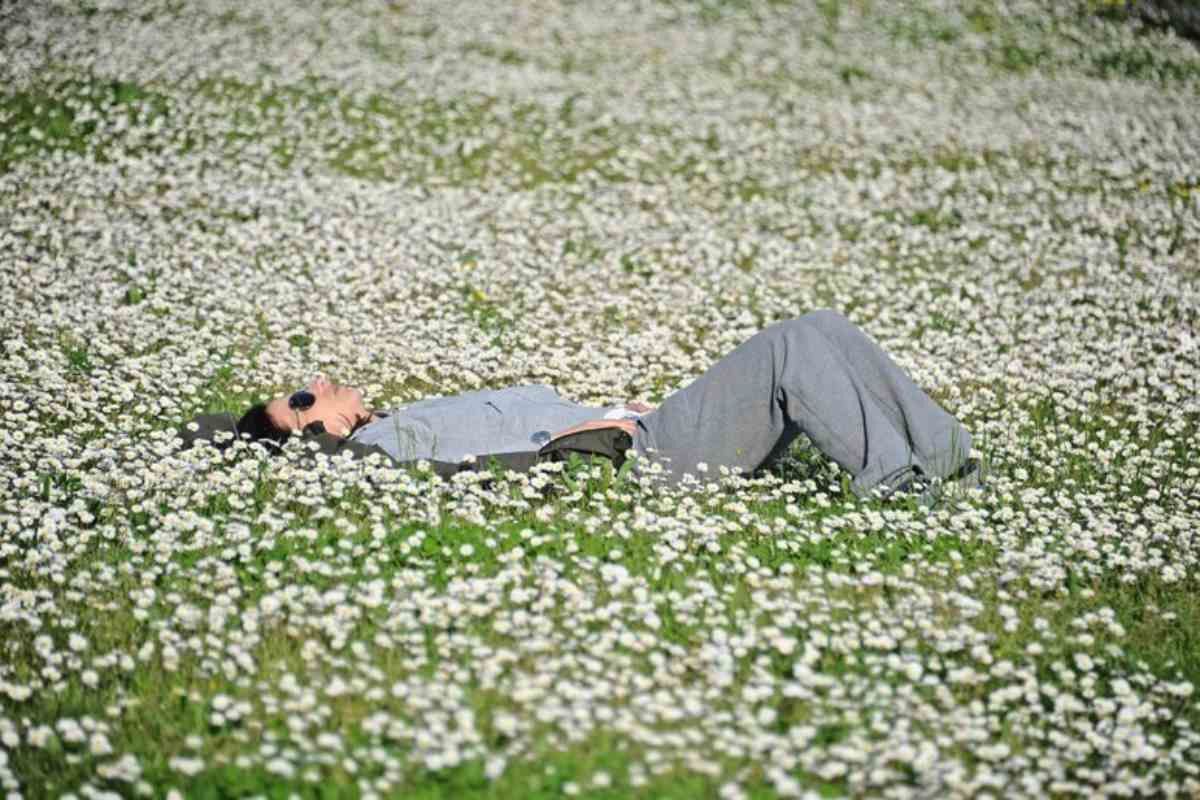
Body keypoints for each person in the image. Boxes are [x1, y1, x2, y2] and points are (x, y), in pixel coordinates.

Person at [182, 309, 982, 502]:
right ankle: (895, 483)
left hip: (647, 424)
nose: (316, 382)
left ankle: (947, 461)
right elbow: (521, 458)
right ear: (314, 435)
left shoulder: (399, 421)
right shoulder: (382, 452)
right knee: (790, 349)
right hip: (648, 452)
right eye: (300, 400)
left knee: (819, 327)